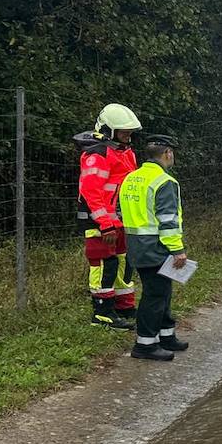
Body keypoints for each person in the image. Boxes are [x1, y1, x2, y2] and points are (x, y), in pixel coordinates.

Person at [117, 135, 190, 362]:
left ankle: (166, 335)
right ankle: (145, 344)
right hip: (156, 245)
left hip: (136, 244)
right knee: (155, 294)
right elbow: (168, 220)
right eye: (172, 153)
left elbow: (120, 210)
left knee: (162, 290)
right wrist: (177, 250)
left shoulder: (131, 178)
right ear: (167, 153)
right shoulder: (164, 181)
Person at [74, 103, 141, 329]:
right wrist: (105, 224)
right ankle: (102, 312)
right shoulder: (97, 154)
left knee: (124, 262)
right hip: (100, 221)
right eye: (124, 133)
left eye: (130, 133)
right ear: (108, 130)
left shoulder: (125, 152)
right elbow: (91, 192)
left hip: (120, 219)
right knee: (104, 264)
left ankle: (124, 306)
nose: (128, 137)